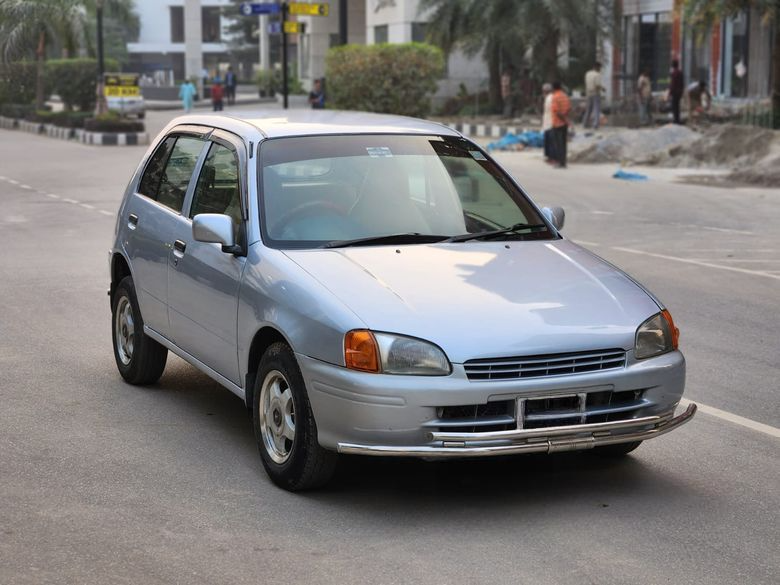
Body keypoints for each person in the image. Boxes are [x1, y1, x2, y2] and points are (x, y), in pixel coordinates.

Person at [550, 81, 571, 168]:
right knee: (563, 144)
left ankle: (560, 162)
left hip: (557, 124)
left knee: (558, 144)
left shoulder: (555, 97)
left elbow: (557, 111)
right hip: (565, 123)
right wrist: (566, 120)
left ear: (553, 88)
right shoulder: (565, 96)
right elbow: (569, 108)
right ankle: (564, 162)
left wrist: (563, 120)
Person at [582, 62, 604, 129]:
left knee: (588, 109)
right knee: (596, 109)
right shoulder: (597, 75)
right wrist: (603, 89)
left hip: (588, 93)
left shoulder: (587, 73)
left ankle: (585, 123)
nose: (600, 69)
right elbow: (597, 85)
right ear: (597, 67)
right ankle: (595, 124)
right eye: (600, 68)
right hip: (595, 93)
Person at [541, 83, 556, 164]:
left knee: (550, 142)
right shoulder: (547, 98)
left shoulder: (550, 98)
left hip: (551, 123)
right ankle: (549, 157)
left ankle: (551, 157)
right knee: (548, 141)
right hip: (547, 123)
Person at [669, 59, 684, 124]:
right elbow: (682, 83)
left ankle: (676, 120)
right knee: (677, 106)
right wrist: (681, 91)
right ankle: (677, 119)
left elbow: (673, 84)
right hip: (679, 92)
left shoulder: (674, 73)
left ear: (673, 65)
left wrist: (670, 92)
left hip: (675, 92)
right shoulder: (680, 72)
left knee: (674, 106)